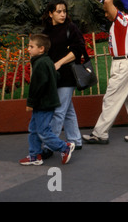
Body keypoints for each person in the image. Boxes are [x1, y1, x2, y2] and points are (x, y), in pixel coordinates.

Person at [82, 0, 128, 144]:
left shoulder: (120, 19)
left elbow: (107, 3)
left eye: (107, 12)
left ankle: (100, 134)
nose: (106, 15)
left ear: (116, 9)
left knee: (111, 99)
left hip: (123, 65)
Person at [19, 34, 75, 166]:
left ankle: (64, 147)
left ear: (41, 49)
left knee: (43, 131)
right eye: (28, 46)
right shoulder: (46, 61)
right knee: (33, 129)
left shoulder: (40, 64)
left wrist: (30, 103)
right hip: (44, 102)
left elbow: (37, 86)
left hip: (43, 104)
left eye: (31, 46)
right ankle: (35, 155)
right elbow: (56, 75)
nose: (28, 49)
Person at [41, 0, 85, 159]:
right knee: (68, 110)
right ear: (50, 13)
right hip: (54, 77)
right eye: (58, 11)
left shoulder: (70, 28)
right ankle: (76, 140)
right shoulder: (46, 32)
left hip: (68, 75)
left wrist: (59, 63)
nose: (62, 14)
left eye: (64, 11)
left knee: (58, 111)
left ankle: (49, 145)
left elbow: (79, 48)